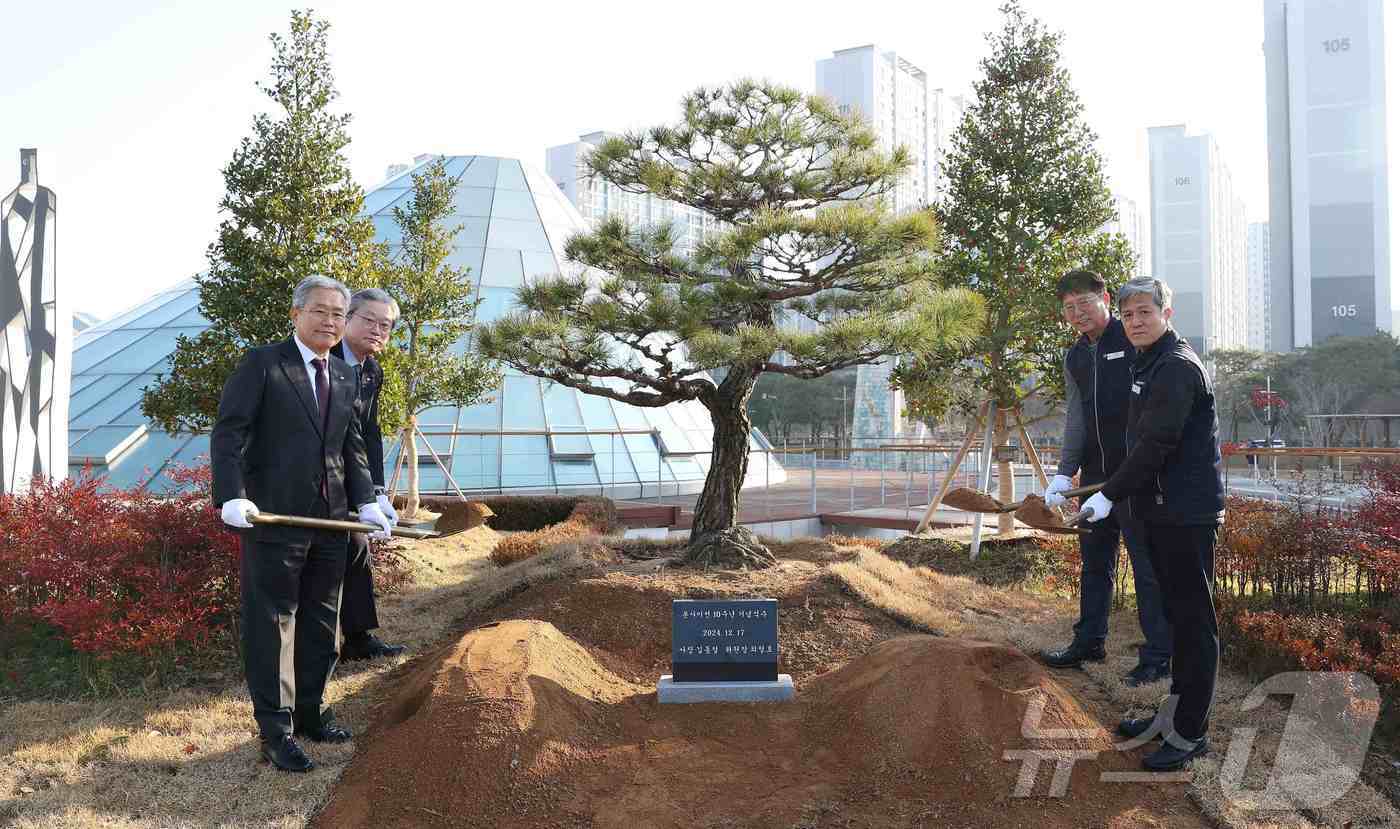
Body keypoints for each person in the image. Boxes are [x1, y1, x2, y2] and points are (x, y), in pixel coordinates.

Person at [211, 275, 394, 773]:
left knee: (320, 622)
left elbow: (351, 446)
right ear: (296, 314)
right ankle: (276, 731)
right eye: (320, 311)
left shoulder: (344, 374)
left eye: (338, 314)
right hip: (274, 518)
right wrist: (231, 496)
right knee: (274, 624)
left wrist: (368, 501)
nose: (330, 321)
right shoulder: (264, 364)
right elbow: (228, 434)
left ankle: (311, 712)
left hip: (332, 522)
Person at [1079, 276, 1226, 772]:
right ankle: (1171, 716)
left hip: (1187, 515)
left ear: (1167, 313)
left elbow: (1156, 444)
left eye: (1146, 311)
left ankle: (1190, 734)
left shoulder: (1177, 368)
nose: (1136, 321)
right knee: (1178, 621)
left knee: (1193, 624)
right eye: (1129, 314)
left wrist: (1108, 494)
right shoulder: (1150, 361)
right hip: (1161, 511)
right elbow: (1138, 443)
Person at [1042, 270, 1173, 688]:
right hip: (1095, 477)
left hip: (1136, 476)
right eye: (1069, 307)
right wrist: (1065, 472)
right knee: (1095, 564)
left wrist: (1130, 477)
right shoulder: (1076, 356)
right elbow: (1077, 419)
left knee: (1147, 567)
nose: (1077, 313)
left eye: (1085, 303)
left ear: (1105, 299)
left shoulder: (1134, 340)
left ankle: (1157, 657)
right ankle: (1088, 641)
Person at [332, 288, 406, 660]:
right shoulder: (323, 360)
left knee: (357, 549)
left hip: (353, 475)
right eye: (369, 320)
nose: (377, 330)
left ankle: (358, 638)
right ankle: (319, 644)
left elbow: (369, 431)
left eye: (386, 325)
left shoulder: (371, 369)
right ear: (346, 318)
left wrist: (377, 492)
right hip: (319, 476)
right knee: (330, 556)